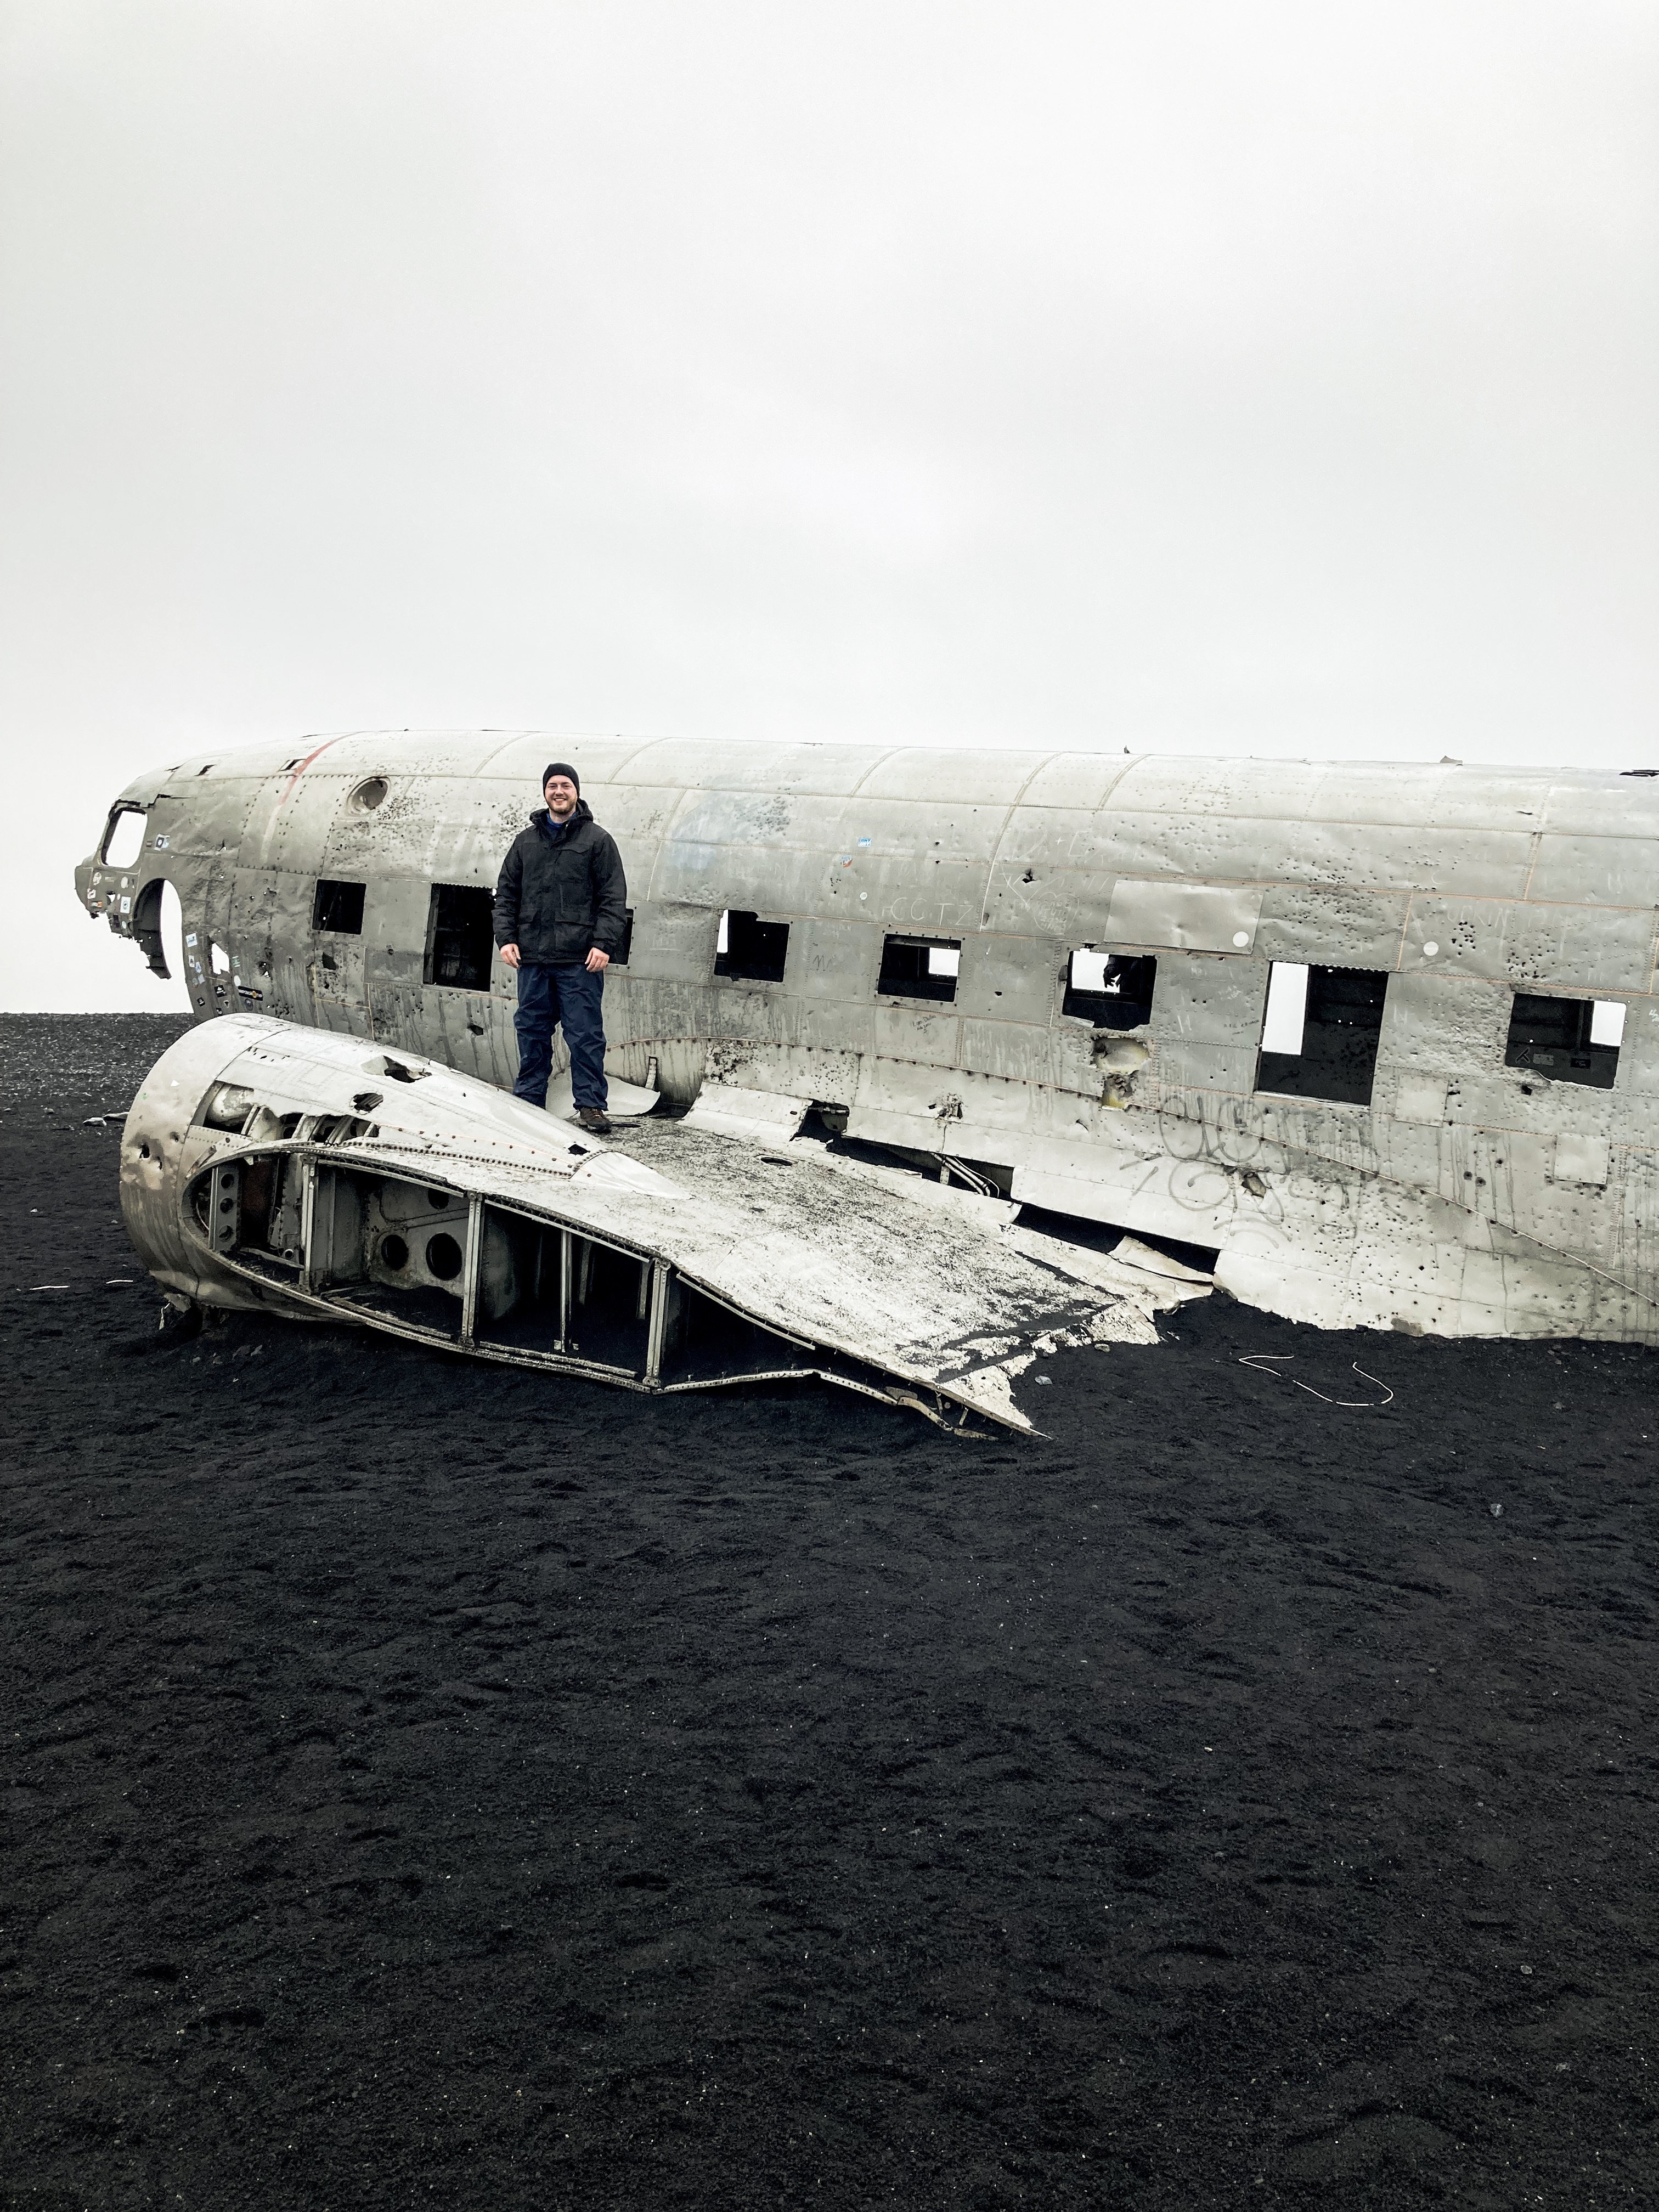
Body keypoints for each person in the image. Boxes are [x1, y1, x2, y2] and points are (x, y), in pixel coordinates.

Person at [493, 763, 628, 1133]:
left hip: (578, 960)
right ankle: (529, 1098)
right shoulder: (526, 842)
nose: (559, 792)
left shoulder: (597, 841)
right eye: (553, 786)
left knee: (584, 1035)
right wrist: (506, 939)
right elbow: (505, 895)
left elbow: (613, 898)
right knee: (532, 1031)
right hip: (533, 958)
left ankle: (591, 1106)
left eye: (565, 786)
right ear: (545, 793)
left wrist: (603, 944)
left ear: (576, 792)